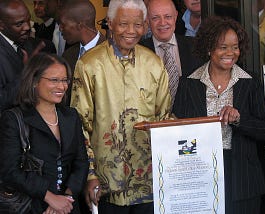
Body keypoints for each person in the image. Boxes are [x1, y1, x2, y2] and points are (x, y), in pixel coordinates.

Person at [70, 0, 171, 213]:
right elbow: (79, 125)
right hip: (106, 185)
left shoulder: (154, 64)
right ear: (110, 23)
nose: (131, 31)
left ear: (144, 26)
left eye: (138, 25)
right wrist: (90, 174)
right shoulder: (89, 64)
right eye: (124, 24)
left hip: (148, 182)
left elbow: (164, 117)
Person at [172, 16, 265, 214]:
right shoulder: (188, 82)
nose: (230, 53)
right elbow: (177, 129)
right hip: (200, 176)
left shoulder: (250, 82)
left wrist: (239, 119)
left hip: (243, 179)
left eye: (235, 47)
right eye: (223, 47)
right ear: (209, 48)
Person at [0, 52, 89, 213]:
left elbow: (81, 162)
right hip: (32, 206)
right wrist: (49, 197)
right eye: (54, 80)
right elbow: (10, 170)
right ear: (34, 81)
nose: (62, 86)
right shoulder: (14, 118)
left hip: (68, 207)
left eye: (64, 80)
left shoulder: (71, 116)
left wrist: (66, 199)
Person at [141, 0, 202, 107]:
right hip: (152, 120)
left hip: (188, 120)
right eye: (155, 18)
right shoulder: (138, 51)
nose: (162, 23)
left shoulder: (196, 47)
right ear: (147, 20)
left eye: (168, 16)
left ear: (176, 16)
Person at [0, 0, 54, 114]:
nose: (27, 27)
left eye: (28, 20)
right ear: (1, 25)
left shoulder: (39, 46)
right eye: (19, 24)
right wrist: (27, 71)